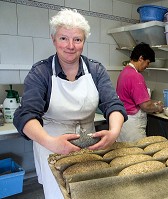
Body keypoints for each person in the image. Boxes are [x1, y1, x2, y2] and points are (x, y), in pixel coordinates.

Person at [13, 9, 127, 199]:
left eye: (77, 40)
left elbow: (113, 104)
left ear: (84, 41)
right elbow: (26, 115)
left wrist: (114, 132)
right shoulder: (41, 72)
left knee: (89, 193)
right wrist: (51, 142)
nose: (70, 46)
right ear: (54, 40)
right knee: (59, 194)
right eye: (63, 38)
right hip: (51, 146)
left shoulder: (95, 70)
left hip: (88, 146)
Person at [116, 43, 163, 142]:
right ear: (141, 58)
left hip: (123, 123)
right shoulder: (135, 76)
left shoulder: (124, 72)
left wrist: (152, 102)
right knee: (137, 155)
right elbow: (145, 106)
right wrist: (158, 107)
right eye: (148, 62)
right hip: (133, 127)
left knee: (124, 154)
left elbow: (134, 98)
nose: (147, 66)